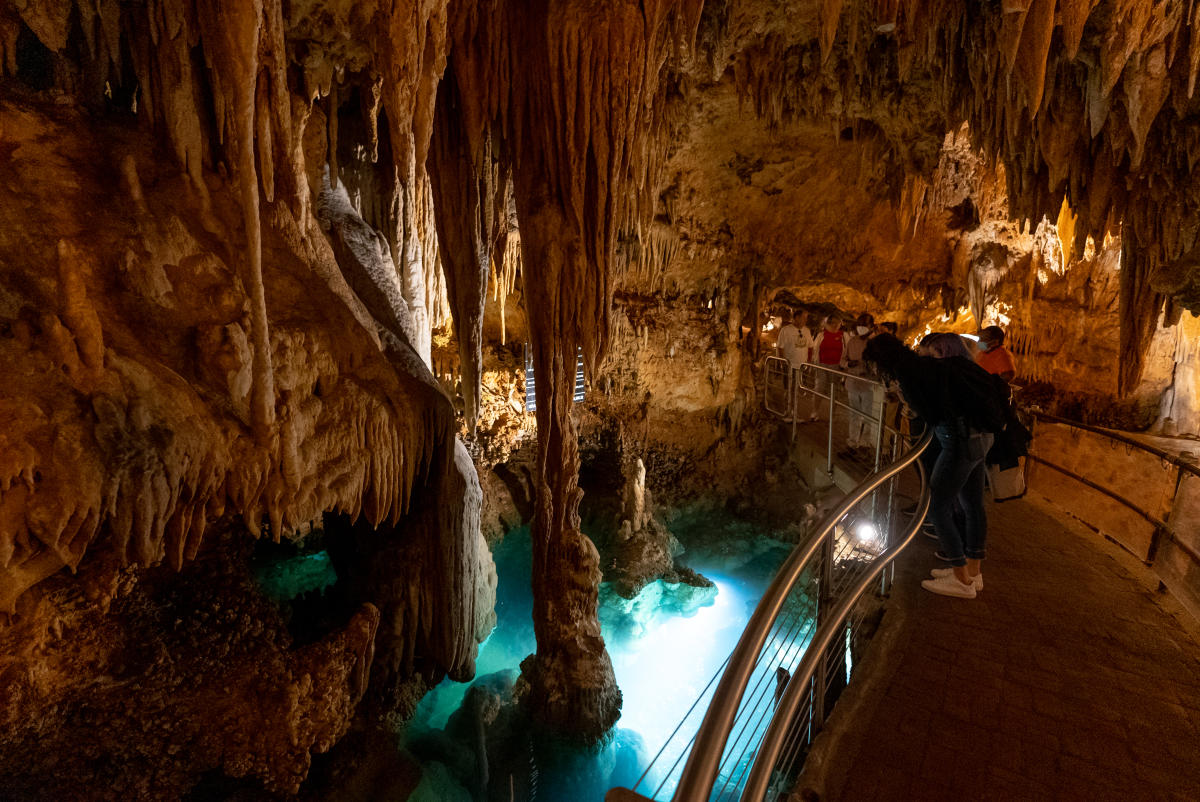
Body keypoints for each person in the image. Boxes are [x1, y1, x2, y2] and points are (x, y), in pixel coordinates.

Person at [863, 334, 1002, 598]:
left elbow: (928, 414)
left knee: (937, 506)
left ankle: (961, 580)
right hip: (981, 437)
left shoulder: (907, 373)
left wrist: (906, 402)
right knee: (973, 505)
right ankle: (973, 572)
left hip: (958, 442)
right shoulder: (926, 364)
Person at [843, 313, 878, 457]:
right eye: (860, 325)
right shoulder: (852, 341)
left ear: (871, 327)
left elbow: (879, 366)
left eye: (865, 325)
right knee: (854, 415)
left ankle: (865, 445)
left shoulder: (875, 344)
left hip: (868, 384)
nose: (861, 328)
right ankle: (852, 443)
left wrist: (869, 368)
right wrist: (848, 364)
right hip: (853, 382)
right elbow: (842, 360)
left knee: (868, 416)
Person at [811, 315, 846, 422]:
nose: (835, 325)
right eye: (832, 322)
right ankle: (815, 411)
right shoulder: (821, 335)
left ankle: (832, 414)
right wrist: (814, 363)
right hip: (822, 364)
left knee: (834, 391)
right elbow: (815, 349)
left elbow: (847, 350)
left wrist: (844, 366)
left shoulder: (844, 336)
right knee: (819, 388)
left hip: (836, 366)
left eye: (837, 323)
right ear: (828, 323)